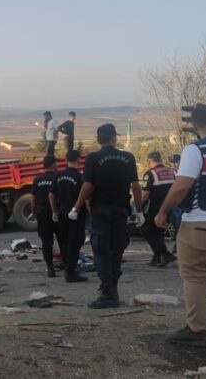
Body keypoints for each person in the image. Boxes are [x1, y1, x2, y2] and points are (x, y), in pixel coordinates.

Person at [155, 104, 206, 347]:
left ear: (194, 125)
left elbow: (183, 185)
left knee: (195, 277)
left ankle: (197, 330)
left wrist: (163, 211)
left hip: (200, 223)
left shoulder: (195, 150)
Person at [69, 123, 143, 309]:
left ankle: (108, 295)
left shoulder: (93, 158)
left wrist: (76, 207)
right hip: (121, 210)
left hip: (101, 210)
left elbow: (87, 186)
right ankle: (113, 291)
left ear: (98, 139)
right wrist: (139, 210)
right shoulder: (128, 157)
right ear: (113, 138)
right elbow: (135, 186)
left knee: (101, 249)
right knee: (117, 249)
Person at [50, 150, 88, 283]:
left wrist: (55, 211)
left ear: (66, 160)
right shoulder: (80, 177)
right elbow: (85, 197)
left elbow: (52, 195)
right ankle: (70, 273)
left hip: (61, 213)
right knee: (75, 242)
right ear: (79, 160)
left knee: (65, 241)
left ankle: (68, 267)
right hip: (75, 214)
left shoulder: (58, 175)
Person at [141, 151, 177, 268]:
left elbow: (145, 193)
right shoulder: (172, 172)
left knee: (147, 231)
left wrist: (137, 206)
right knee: (159, 232)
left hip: (153, 208)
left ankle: (166, 254)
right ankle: (157, 257)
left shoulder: (150, 174)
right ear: (161, 159)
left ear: (149, 161)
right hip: (169, 207)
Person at [32, 155, 62, 277]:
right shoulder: (58, 177)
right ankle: (66, 263)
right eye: (57, 163)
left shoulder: (37, 179)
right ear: (53, 164)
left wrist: (33, 212)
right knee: (62, 239)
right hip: (57, 213)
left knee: (46, 242)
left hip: (42, 213)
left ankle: (50, 268)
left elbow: (33, 198)